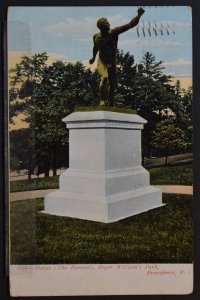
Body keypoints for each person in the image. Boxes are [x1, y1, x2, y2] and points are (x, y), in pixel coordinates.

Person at [89, 7, 145, 106]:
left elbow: (130, 25)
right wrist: (93, 58)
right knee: (104, 77)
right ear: (101, 27)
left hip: (112, 61)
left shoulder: (113, 32)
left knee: (113, 84)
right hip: (102, 61)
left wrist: (139, 15)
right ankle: (102, 100)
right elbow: (95, 48)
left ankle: (111, 101)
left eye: (108, 22)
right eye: (106, 23)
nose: (108, 24)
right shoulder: (96, 37)